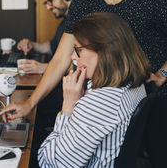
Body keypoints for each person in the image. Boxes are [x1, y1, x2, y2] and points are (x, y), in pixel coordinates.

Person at [0, 0, 167, 123]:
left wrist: (163, 74)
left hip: (151, 101)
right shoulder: (83, 3)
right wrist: (30, 103)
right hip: (106, 103)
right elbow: (61, 59)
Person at [38, 12, 150, 167]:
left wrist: (68, 105)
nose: (73, 57)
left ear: (105, 52)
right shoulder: (133, 83)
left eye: (78, 50)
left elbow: (53, 163)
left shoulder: (100, 102)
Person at [17, 0, 74, 74]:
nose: (48, 7)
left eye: (50, 1)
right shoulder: (64, 23)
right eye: (46, 3)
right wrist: (32, 45)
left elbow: (83, 64)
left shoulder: (81, 21)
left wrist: (44, 67)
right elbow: (52, 47)